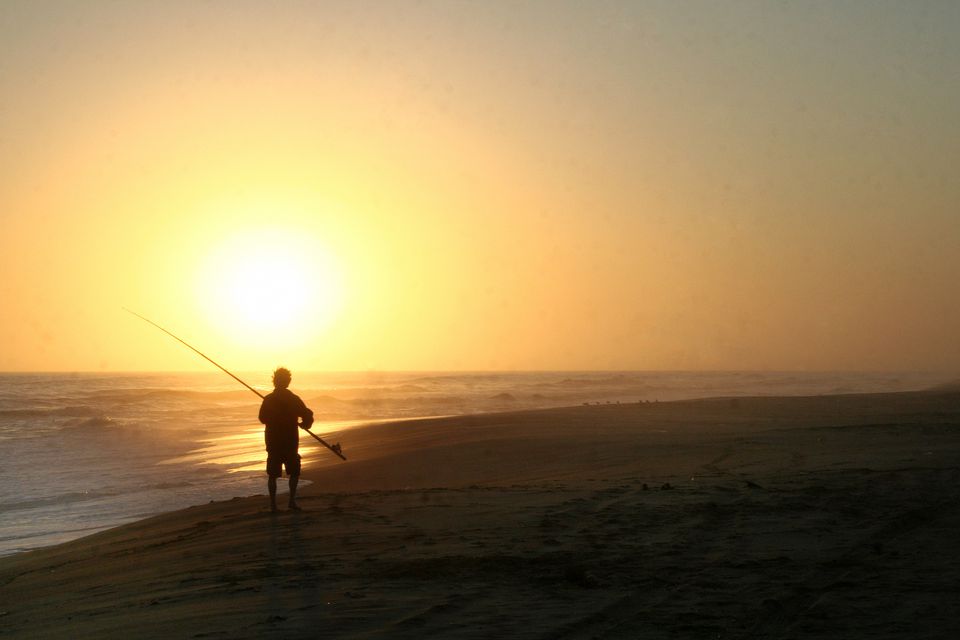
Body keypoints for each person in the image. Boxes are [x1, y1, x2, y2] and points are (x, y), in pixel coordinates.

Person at [258, 367, 314, 512]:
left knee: (273, 474)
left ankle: (273, 505)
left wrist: (275, 418)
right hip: (290, 441)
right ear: (288, 382)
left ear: (274, 381)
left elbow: (262, 418)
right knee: (294, 471)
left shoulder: (269, 399)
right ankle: (291, 501)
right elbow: (307, 415)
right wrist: (304, 424)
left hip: (273, 441)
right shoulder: (294, 399)